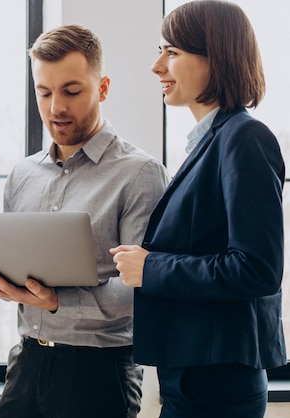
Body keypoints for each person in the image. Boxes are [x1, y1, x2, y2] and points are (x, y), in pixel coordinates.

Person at [0, 24, 170, 418]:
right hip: (26, 363)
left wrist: (59, 300)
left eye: (72, 91)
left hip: (99, 371)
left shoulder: (139, 174)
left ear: (104, 88)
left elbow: (145, 292)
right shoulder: (23, 174)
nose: (56, 107)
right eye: (44, 92)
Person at [110, 1, 287, 417]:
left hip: (217, 382)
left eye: (172, 52)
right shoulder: (212, 141)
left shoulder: (245, 138)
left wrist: (150, 268)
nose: (157, 67)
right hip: (192, 376)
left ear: (216, 56)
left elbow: (257, 268)